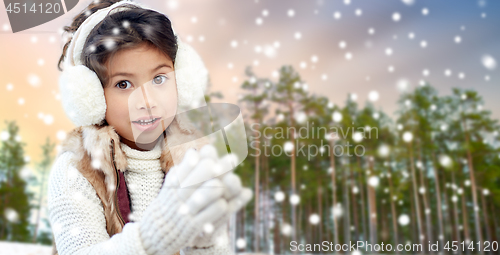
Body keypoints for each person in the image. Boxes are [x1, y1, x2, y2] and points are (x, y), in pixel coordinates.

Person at [47, 0, 252, 254]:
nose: (147, 102)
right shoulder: (77, 169)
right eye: (123, 84)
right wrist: (153, 237)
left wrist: (205, 244)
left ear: (182, 78)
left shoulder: (193, 159)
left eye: (159, 78)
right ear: (92, 97)